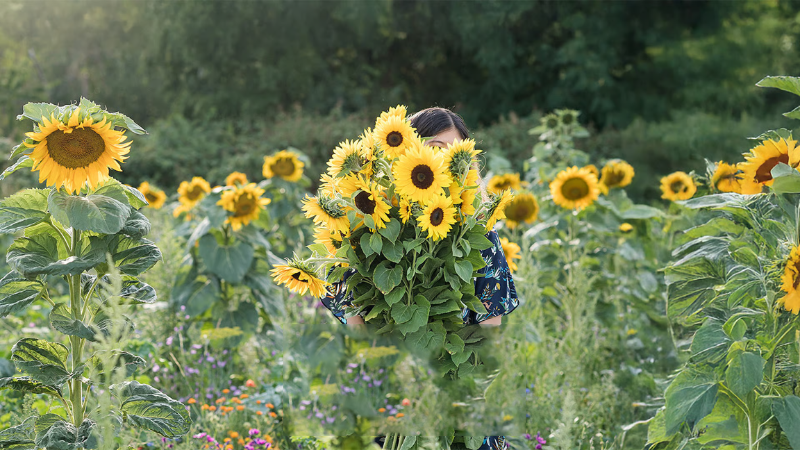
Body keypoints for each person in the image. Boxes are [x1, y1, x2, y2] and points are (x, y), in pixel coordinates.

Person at [320, 107, 519, 450]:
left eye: (452, 152)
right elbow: (343, 287)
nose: (441, 159)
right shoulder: (374, 222)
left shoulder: (476, 230)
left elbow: (491, 315)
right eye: (434, 146)